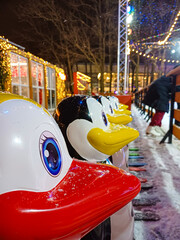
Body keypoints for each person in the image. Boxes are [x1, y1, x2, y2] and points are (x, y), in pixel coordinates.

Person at [143, 64, 180, 137]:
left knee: (161, 107)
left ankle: (156, 127)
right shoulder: (173, 76)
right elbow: (173, 87)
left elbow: (173, 88)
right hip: (160, 88)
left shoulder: (170, 77)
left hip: (160, 87)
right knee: (162, 107)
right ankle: (153, 127)